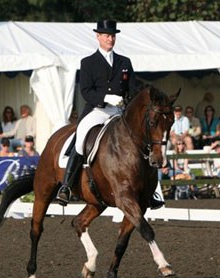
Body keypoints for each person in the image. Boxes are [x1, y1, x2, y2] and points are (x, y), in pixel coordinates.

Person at [56, 20, 164, 209]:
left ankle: (149, 191)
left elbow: (132, 88)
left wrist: (136, 98)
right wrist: (105, 97)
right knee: (81, 139)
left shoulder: (124, 62)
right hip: (97, 111)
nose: (110, 38)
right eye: (106, 35)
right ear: (98, 37)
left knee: (142, 141)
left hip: (119, 112)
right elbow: (86, 91)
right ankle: (66, 185)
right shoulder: (88, 62)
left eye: (113, 35)